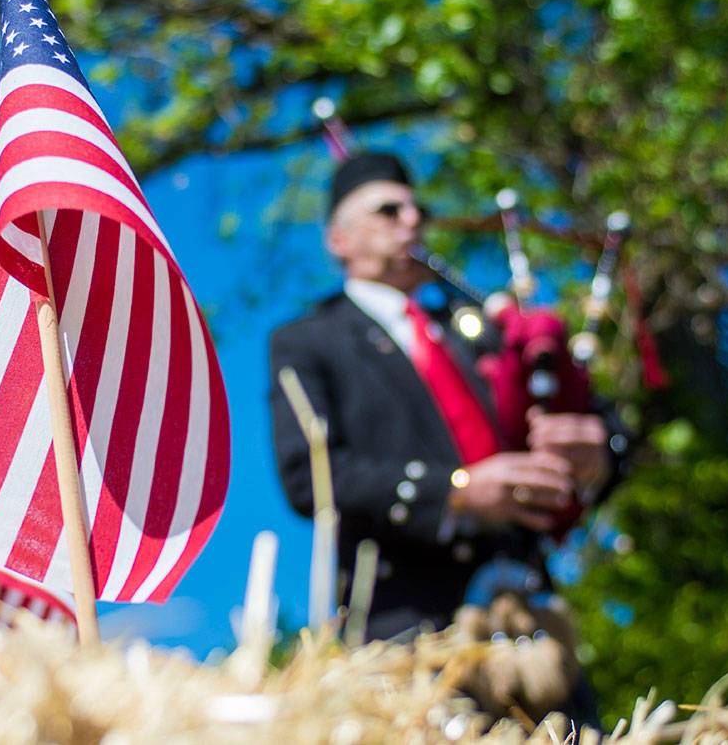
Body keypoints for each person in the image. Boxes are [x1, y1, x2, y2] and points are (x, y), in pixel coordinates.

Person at [268, 151, 630, 643]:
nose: (414, 220)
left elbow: (606, 430)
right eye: (389, 212)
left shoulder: (476, 333)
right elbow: (311, 475)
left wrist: (596, 454)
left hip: (532, 617)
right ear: (340, 240)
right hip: (404, 625)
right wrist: (455, 491)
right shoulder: (311, 340)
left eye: (419, 211)